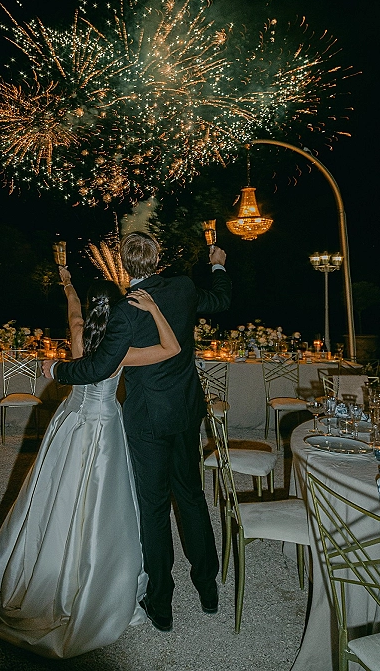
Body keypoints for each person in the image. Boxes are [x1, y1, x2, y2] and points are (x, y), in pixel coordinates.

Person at [0, 265, 180, 659]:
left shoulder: (78, 335)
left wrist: (68, 285)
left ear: (90, 310)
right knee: (101, 501)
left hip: (70, 422)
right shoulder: (121, 351)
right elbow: (172, 349)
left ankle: (45, 562)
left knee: (53, 491)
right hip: (103, 427)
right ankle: (89, 574)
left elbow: (72, 314)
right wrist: (155, 310)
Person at [43, 232, 231, 632]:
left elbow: (96, 367)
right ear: (158, 256)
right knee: (193, 497)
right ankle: (207, 587)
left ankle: (161, 604)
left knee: (154, 508)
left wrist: (56, 369)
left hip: (148, 420)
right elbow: (220, 301)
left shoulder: (125, 311)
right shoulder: (181, 288)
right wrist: (218, 264)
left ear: (125, 265)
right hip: (185, 411)